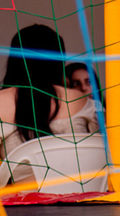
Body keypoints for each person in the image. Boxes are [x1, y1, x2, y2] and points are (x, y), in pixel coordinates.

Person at [1, 25, 97, 162]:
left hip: (22, 183)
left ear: (14, 60)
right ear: (58, 61)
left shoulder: (2, 103)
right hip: (83, 182)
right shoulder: (80, 101)